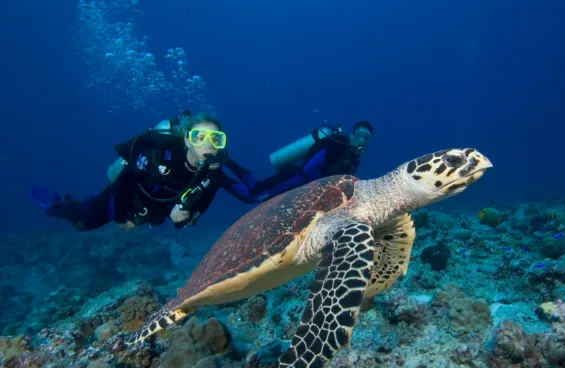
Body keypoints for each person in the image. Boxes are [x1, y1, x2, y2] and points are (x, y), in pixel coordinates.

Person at [31, 111, 263, 231]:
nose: (207, 144)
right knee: (83, 223)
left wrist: (185, 218)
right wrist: (122, 220)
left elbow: (197, 210)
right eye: (199, 137)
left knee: (89, 211)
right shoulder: (161, 154)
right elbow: (123, 181)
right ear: (187, 140)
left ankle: (81, 204)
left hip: (151, 213)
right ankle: (57, 206)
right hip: (127, 199)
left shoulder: (212, 173)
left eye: (216, 139)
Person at [224, 120, 374, 201]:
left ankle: (225, 162)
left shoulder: (354, 159)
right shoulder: (337, 146)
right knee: (253, 195)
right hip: (294, 178)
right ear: (352, 134)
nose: (361, 140)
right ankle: (221, 173)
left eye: (366, 138)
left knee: (256, 187)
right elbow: (309, 169)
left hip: (306, 187)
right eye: (359, 134)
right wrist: (329, 188)